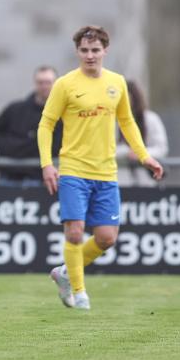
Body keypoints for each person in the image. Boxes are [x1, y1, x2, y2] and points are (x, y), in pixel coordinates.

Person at [39, 26, 163, 311]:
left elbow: (127, 122)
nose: (90, 55)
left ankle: (66, 273)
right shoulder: (65, 84)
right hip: (72, 169)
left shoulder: (116, 83)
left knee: (106, 238)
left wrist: (145, 156)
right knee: (74, 232)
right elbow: (46, 124)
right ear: (77, 52)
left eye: (95, 50)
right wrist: (47, 164)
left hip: (106, 173)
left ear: (105, 50)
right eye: (84, 50)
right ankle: (79, 294)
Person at [0, 66, 62, 187]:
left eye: (48, 82)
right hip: (10, 175)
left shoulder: (62, 115)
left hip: (41, 177)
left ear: (56, 84)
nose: (44, 86)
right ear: (35, 83)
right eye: (40, 82)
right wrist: (8, 148)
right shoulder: (15, 109)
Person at [116, 80, 169, 187]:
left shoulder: (151, 119)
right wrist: (127, 152)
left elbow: (161, 148)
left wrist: (142, 154)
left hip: (148, 181)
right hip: (120, 181)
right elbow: (107, 148)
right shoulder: (113, 121)